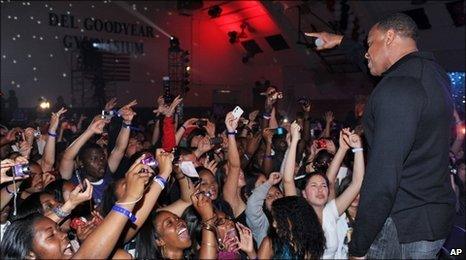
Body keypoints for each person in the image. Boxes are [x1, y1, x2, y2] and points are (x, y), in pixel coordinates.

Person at [307, 12, 455, 258]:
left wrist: (358, 246)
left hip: (402, 225)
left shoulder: (397, 89)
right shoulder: (435, 74)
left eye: (369, 44)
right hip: (432, 215)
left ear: (389, 37)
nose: (366, 53)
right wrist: (341, 41)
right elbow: (386, 68)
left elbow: (384, 177)